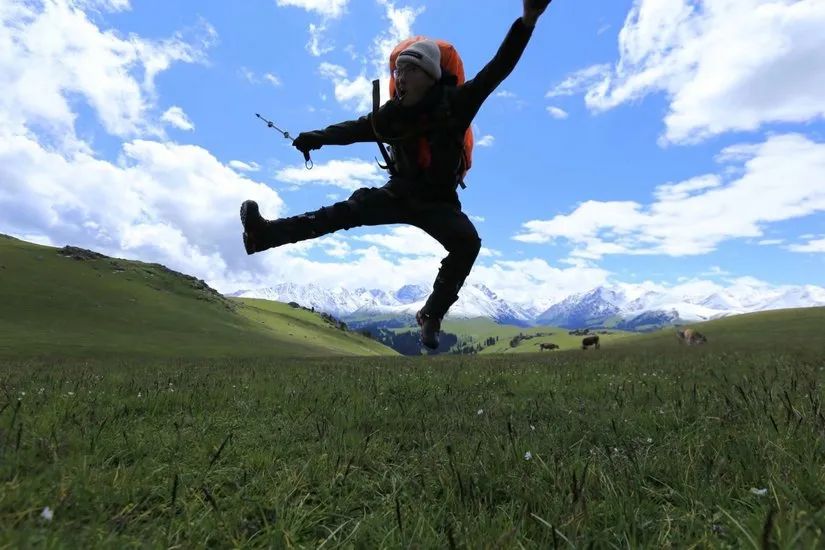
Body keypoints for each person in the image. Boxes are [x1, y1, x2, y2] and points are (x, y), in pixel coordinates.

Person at [241, 0, 553, 349]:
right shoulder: (392, 115)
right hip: (399, 192)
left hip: (438, 201)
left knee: (467, 243)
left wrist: (527, 20)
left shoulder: (458, 102)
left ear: (430, 74)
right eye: (398, 71)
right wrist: (315, 138)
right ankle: (263, 236)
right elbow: (356, 129)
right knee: (341, 214)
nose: (400, 77)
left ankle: (431, 314)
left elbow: (499, 67)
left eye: (409, 70)